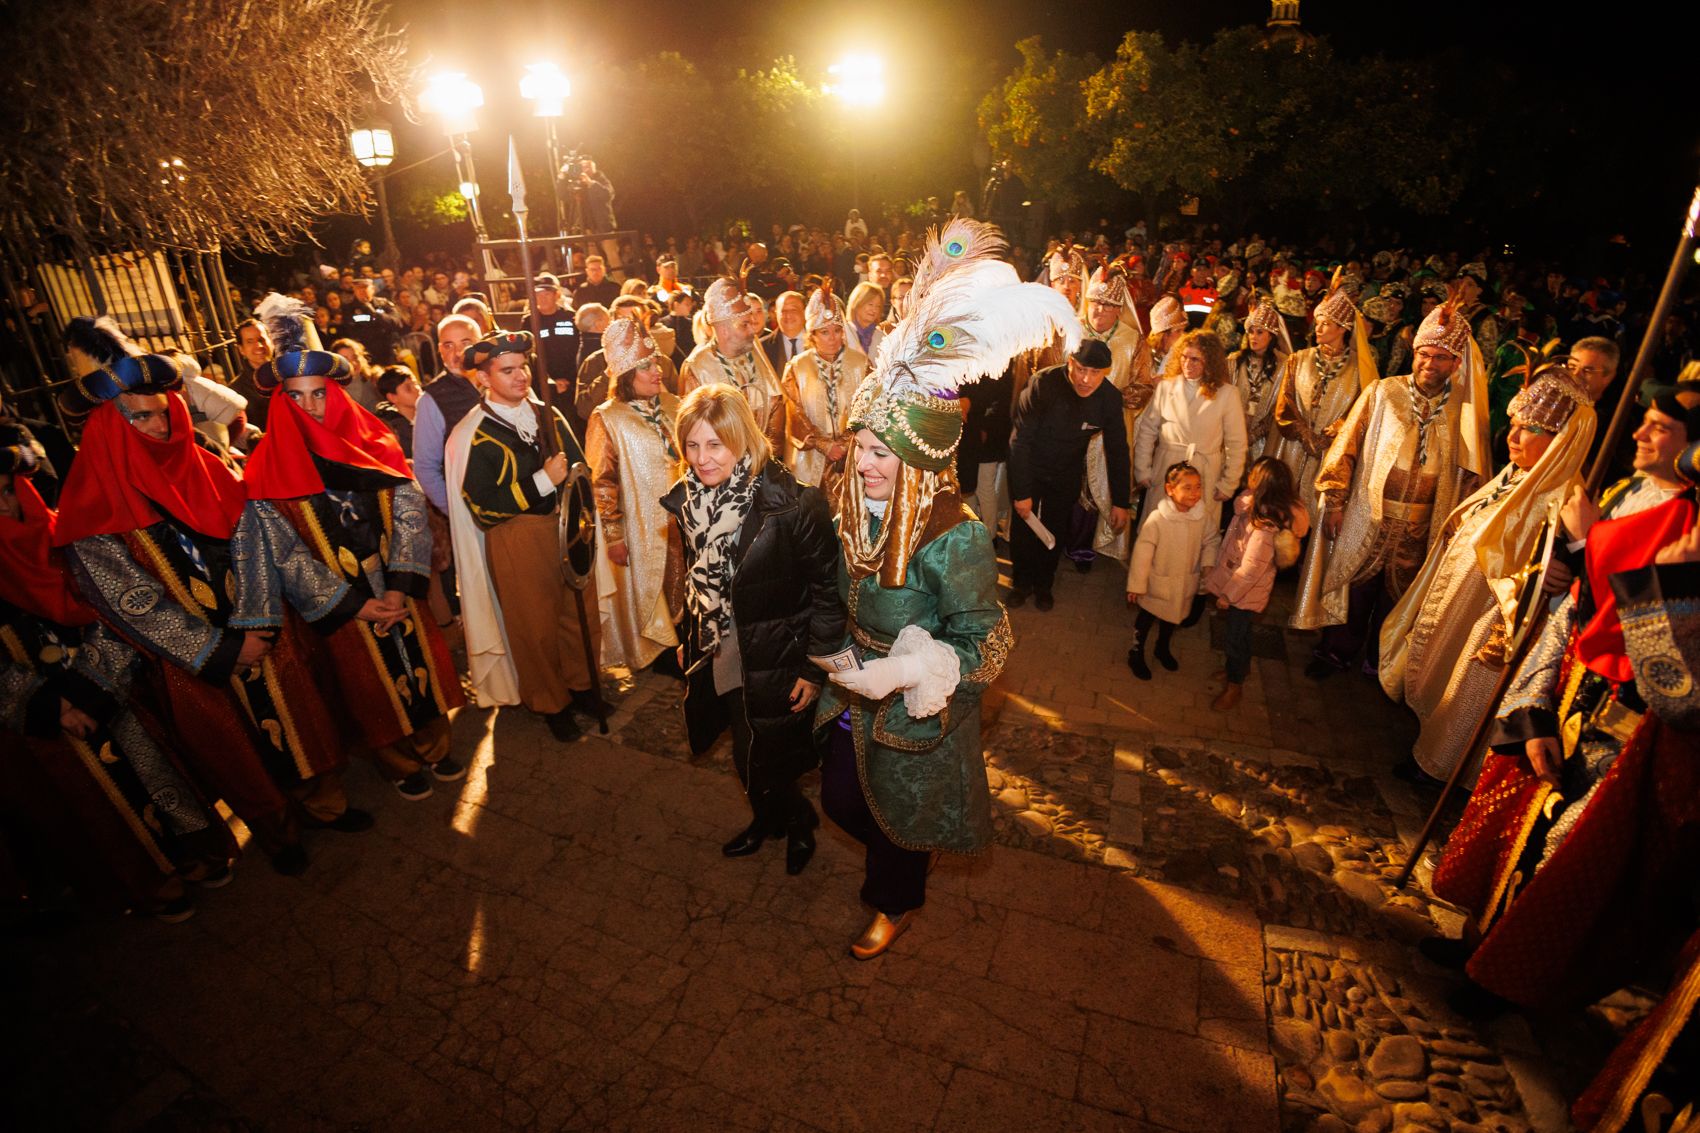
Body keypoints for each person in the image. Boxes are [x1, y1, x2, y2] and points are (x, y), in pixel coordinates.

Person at [815, 219, 1061, 958]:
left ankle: (896, 898)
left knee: (894, 812)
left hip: (916, 713)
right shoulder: (847, 501)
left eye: (882, 452)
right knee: (840, 798)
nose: (865, 463)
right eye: (860, 444)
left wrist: (907, 670)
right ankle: (900, 857)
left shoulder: (956, 534)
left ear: (919, 461)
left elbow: (986, 639)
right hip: (849, 692)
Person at [1426, 386, 1700, 1017]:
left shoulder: (1687, 527)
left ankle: (1505, 981)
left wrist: (1589, 557)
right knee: (1514, 832)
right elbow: (1578, 609)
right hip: (1571, 695)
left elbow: (1669, 671)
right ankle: (1479, 945)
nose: (1638, 435)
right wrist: (1535, 705)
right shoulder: (1621, 496)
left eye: (1658, 428)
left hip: (1629, 731)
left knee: (1564, 860)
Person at [55, 335, 370, 877]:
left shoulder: (210, 468)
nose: (159, 428)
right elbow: (131, 604)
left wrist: (261, 627)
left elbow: (265, 544)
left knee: (303, 727)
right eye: (140, 418)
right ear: (108, 422)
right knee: (239, 753)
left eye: (165, 415)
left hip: (266, 635)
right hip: (193, 665)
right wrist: (222, 650)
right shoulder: (92, 509)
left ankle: (324, 807)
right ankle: (279, 835)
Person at [243, 296, 466, 800]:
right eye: (296, 397)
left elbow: (408, 506)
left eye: (318, 394)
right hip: (342, 602)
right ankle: (397, 761)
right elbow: (284, 552)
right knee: (365, 687)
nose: (310, 407)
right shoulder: (266, 465)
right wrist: (354, 604)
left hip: (394, 584)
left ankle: (434, 745)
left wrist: (400, 584)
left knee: (420, 668)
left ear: (334, 392)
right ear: (281, 399)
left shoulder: (374, 441)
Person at [0, 449, 233, 922]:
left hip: (108, 686)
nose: (6, 506)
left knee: (152, 768)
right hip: (38, 712)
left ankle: (188, 850)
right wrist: (52, 705)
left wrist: (90, 688)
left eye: (7, 490)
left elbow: (111, 608)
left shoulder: (61, 537)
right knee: (94, 800)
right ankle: (147, 879)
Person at [1379, 364, 1594, 784]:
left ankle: (1442, 768)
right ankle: (1430, 750)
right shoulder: (1518, 473)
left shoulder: (1562, 498)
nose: (1512, 437)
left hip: (1491, 623)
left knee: (1467, 693)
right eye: (1513, 425)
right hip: (1464, 604)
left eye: (1528, 430)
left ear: (1559, 442)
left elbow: (1547, 581)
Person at [660, 385, 844, 875]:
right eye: (693, 446)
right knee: (744, 755)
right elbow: (701, 580)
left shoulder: (794, 505)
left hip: (778, 656)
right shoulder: (691, 500)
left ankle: (797, 821)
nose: (702, 459)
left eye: (714, 445)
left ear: (741, 439)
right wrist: (689, 639)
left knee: (768, 752)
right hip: (721, 648)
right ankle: (768, 819)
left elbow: (828, 592)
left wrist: (814, 667)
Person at [1306, 300, 1491, 676]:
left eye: (1441, 358)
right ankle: (1338, 650)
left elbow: (1473, 476)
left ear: (1456, 364)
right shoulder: (1383, 392)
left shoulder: (1464, 411)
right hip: (1370, 514)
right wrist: (1336, 500)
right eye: (1424, 354)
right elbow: (1347, 447)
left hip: (1422, 527)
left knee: (1400, 597)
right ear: (1414, 353)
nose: (1430, 364)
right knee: (1355, 588)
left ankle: (1381, 661)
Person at [445, 331, 601, 740]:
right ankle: (552, 702)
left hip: (567, 528)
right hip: (517, 536)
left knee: (578, 611)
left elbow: (579, 467)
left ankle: (583, 687)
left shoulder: (547, 412)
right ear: (483, 378)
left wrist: (585, 515)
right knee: (535, 625)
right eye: (507, 370)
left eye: (524, 367)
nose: (521, 376)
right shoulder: (473, 433)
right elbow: (482, 507)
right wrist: (541, 483)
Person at [1272, 283, 1382, 631]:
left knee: (1317, 519)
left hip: (1329, 458)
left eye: (1326, 324)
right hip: (1293, 450)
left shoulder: (1361, 370)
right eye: (1317, 323)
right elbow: (1284, 405)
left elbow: (1360, 413)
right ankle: (1269, 569)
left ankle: (1307, 590)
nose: (1318, 329)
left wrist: (1332, 436)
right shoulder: (1298, 360)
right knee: (1278, 509)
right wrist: (1304, 434)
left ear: (1344, 329)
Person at [585, 319, 683, 675]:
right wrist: (613, 534)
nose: (657, 371)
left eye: (655, 363)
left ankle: (685, 640)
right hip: (643, 526)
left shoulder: (674, 404)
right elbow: (602, 481)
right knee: (652, 588)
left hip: (683, 519)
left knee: (683, 582)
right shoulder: (607, 418)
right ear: (626, 373)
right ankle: (658, 653)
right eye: (646, 366)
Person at [1007, 339, 1130, 611]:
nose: (1086, 380)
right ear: (1070, 363)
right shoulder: (1042, 384)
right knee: (1024, 526)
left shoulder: (1109, 399)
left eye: (1095, 373)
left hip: (1066, 471)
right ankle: (1021, 582)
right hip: (1031, 464)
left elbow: (1118, 450)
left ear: (1105, 372)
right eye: (1081, 369)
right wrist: (1023, 493)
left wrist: (1121, 501)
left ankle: (1044, 585)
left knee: (1055, 528)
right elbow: (1020, 442)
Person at [1132, 329, 1248, 565]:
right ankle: (1150, 588)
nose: (1187, 363)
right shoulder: (1166, 387)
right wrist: (1143, 469)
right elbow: (1147, 430)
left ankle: (1192, 590)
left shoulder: (1227, 394)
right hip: (1167, 467)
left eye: (1195, 359)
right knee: (1159, 532)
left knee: (1196, 540)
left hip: (1204, 472)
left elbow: (1237, 444)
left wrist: (1228, 483)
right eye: (1184, 357)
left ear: (1210, 361)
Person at [1203, 457, 1309, 708]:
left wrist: (1228, 595)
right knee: (1241, 634)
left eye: (1253, 475)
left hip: (1243, 594)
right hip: (1241, 590)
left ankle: (1235, 685)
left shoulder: (1264, 525)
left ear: (1261, 484)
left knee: (1234, 639)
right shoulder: (1254, 509)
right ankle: (1235, 671)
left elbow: (1251, 569)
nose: (1248, 476)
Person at [680, 278, 786, 456]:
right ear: (723, 329)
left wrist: (766, 457)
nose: (753, 331)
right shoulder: (697, 367)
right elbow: (694, 432)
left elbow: (776, 403)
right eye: (745, 324)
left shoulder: (755, 351)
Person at [780, 281, 868, 495]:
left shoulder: (860, 364)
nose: (833, 338)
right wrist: (824, 445)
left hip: (853, 457)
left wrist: (846, 443)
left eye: (837, 331)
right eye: (825, 332)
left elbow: (868, 407)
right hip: (811, 460)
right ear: (812, 336)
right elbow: (794, 413)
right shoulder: (797, 368)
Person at [1125, 462, 1210, 681]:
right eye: (1187, 487)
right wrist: (1136, 585)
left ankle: (1162, 647)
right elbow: (1142, 554)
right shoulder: (1158, 519)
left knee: (1172, 618)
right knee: (1147, 617)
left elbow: (1212, 540)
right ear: (1170, 490)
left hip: (1184, 582)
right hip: (1157, 583)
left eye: (1198, 487)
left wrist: (1208, 562)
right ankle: (1136, 651)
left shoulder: (1202, 516)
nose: (1195, 493)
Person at [1232, 299, 1293, 465]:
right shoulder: (1235, 361)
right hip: (1234, 436)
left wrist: (1255, 434)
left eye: (1260, 332)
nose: (1253, 337)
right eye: (1251, 332)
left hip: (1266, 441)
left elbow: (1281, 405)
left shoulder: (1284, 365)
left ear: (1271, 336)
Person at [530, 272, 580, 394]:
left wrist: (570, 378)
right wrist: (549, 380)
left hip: (572, 379)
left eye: (547, 294)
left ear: (556, 295)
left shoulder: (571, 317)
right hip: (544, 382)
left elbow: (579, 348)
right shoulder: (529, 321)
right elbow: (530, 355)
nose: (542, 298)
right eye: (538, 295)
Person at [342, 277, 406, 366]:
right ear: (354, 290)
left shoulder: (383, 304)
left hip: (387, 351)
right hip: (367, 354)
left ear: (372, 289)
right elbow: (351, 331)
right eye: (358, 288)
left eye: (365, 287)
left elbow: (397, 323)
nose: (362, 291)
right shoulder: (349, 309)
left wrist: (375, 314)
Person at [373, 366, 422, 459]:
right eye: (408, 388)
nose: (417, 389)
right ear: (392, 397)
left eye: (415, 383)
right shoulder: (391, 430)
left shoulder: (430, 414)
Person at [761, 290, 808, 373]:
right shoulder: (762, 348)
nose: (788, 315)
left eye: (793, 310)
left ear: (805, 312)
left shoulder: (819, 343)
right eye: (783, 311)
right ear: (776, 314)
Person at [845, 281, 886, 362]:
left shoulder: (881, 337)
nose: (874, 310)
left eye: (878, 306)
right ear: (857, 303)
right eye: (870, 304)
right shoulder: (844, 332)